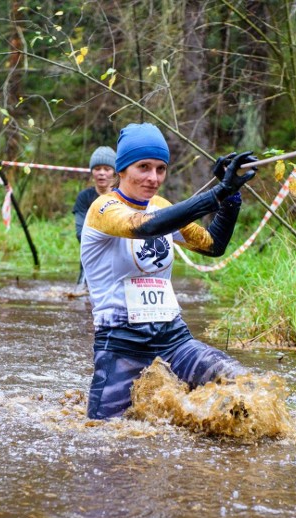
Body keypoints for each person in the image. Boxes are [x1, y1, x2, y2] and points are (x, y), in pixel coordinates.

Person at [79, 122, 257, 419]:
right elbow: (146, 226)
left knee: (245, 389)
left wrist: (230, 199)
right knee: (104, 434)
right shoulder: (103, 208)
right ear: (121, 170)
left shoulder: (161, 204)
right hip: (121, 345)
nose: (153, 178)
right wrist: (215, 193)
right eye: (143, 167)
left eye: (160, 169)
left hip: (174, 339)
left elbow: (212, 245)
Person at [72, 146, 116, 287]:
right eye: (97, 169)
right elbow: (80, 233)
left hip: (118, 259)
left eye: (106, 169)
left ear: (114, 172)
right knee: (81, 297)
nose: (101, 173)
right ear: (92, 172)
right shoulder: (84, 197)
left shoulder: (122, 196)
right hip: (91, 256)